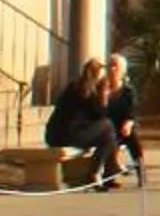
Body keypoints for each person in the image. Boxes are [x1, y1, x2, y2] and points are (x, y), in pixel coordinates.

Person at [44, 57, 124, 189]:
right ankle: (100, 173)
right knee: (108, 127)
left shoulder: (74, 86)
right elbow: (101, 114)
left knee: (108, 136)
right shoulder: (88, 92)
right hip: (68, 136)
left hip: (54, 135)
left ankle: (106, 173)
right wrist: (104, 95)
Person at [101, 52, 145, 184]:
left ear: (122, 71)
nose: (112, 69)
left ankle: (141, 173)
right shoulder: (101, 89)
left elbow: (132, 111)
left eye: (116, 66)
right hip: (106, 128)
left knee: (133, 138)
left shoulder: (128, 91)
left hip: (123, 127)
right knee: (110, 141)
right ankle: (109, 178)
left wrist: (129, 123)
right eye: (110, 66)